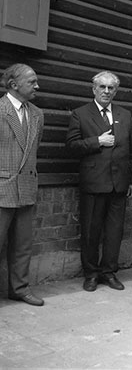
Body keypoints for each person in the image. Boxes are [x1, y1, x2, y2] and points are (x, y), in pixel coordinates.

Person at [66, 71, 132, 292]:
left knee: (115, 232)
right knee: (91, 232)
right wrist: (97, 141)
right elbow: (72, 146)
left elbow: (131, 151)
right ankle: (91, 274)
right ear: (94, 89)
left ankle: (109, 272)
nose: (106, 91)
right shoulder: (80, 114)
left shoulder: (125, 114)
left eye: (111, 88)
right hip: (94, 183)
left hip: (119, 184)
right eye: (102, 87)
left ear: (115, 91)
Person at [0, 64, 44, 306]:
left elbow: (32, 150)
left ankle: (19, 289)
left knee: (23, 245)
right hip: (2, 188)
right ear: (14, 85)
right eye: (32, 82)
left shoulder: (37, 114)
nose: (37, 86)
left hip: (26, 187)